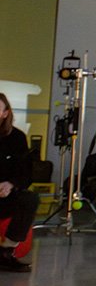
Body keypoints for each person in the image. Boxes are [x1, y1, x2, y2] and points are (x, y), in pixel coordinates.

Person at [0, 93, 40, 272]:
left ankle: (6, 251)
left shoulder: (17, 138)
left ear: (5, 113)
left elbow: (25, 174)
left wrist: (11, 184)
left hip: (4, 195)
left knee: (29, 199)